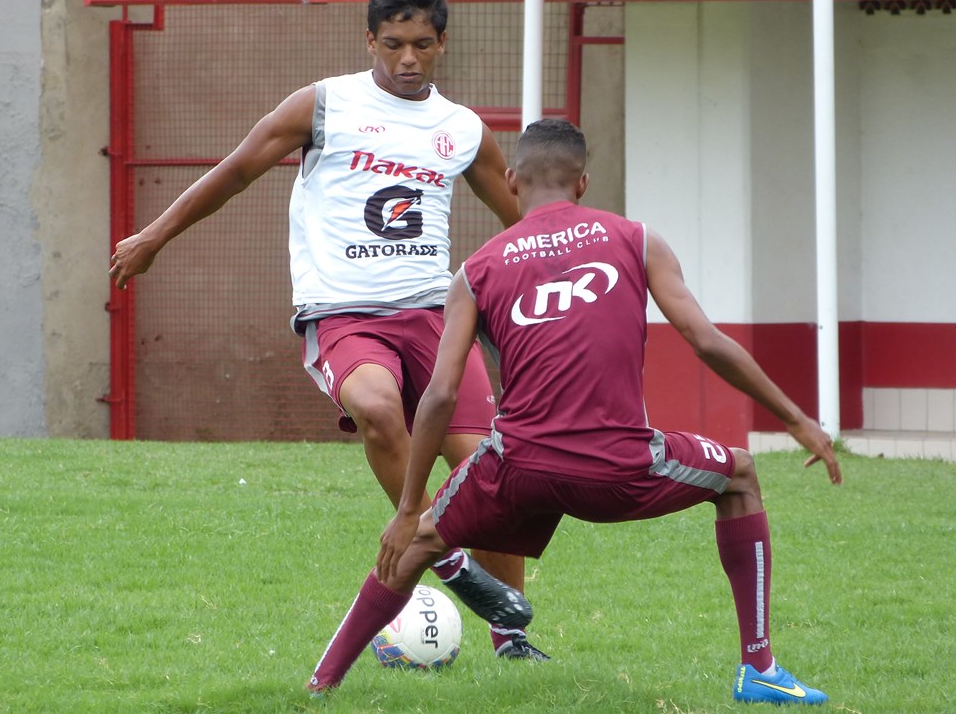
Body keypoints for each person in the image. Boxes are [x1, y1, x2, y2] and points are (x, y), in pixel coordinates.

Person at [307, 118, 843, 705]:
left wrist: (410, 507)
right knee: (738, 472)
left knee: (415, 542)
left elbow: (438, 395)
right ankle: (760, 667)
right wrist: (795, 418)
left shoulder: (475, 271)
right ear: (582, 183)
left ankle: (321, 683)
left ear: (511, 181)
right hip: (616, 470)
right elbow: (707, 341)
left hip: (514, 471)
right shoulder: (636, 239)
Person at [108, 0, 548, 660]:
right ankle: (451, 562)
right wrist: (153, 238)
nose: (408, 59)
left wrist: (578, 280)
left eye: (422, 45)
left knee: (494, 472)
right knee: (376, 408)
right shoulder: (325, 104)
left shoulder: (461, 130)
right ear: (370, 40)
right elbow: (232, 171)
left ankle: (512, 640)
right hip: (344, 315)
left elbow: (525, 221)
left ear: (442, 45)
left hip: (433, 316)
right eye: (394, 44)